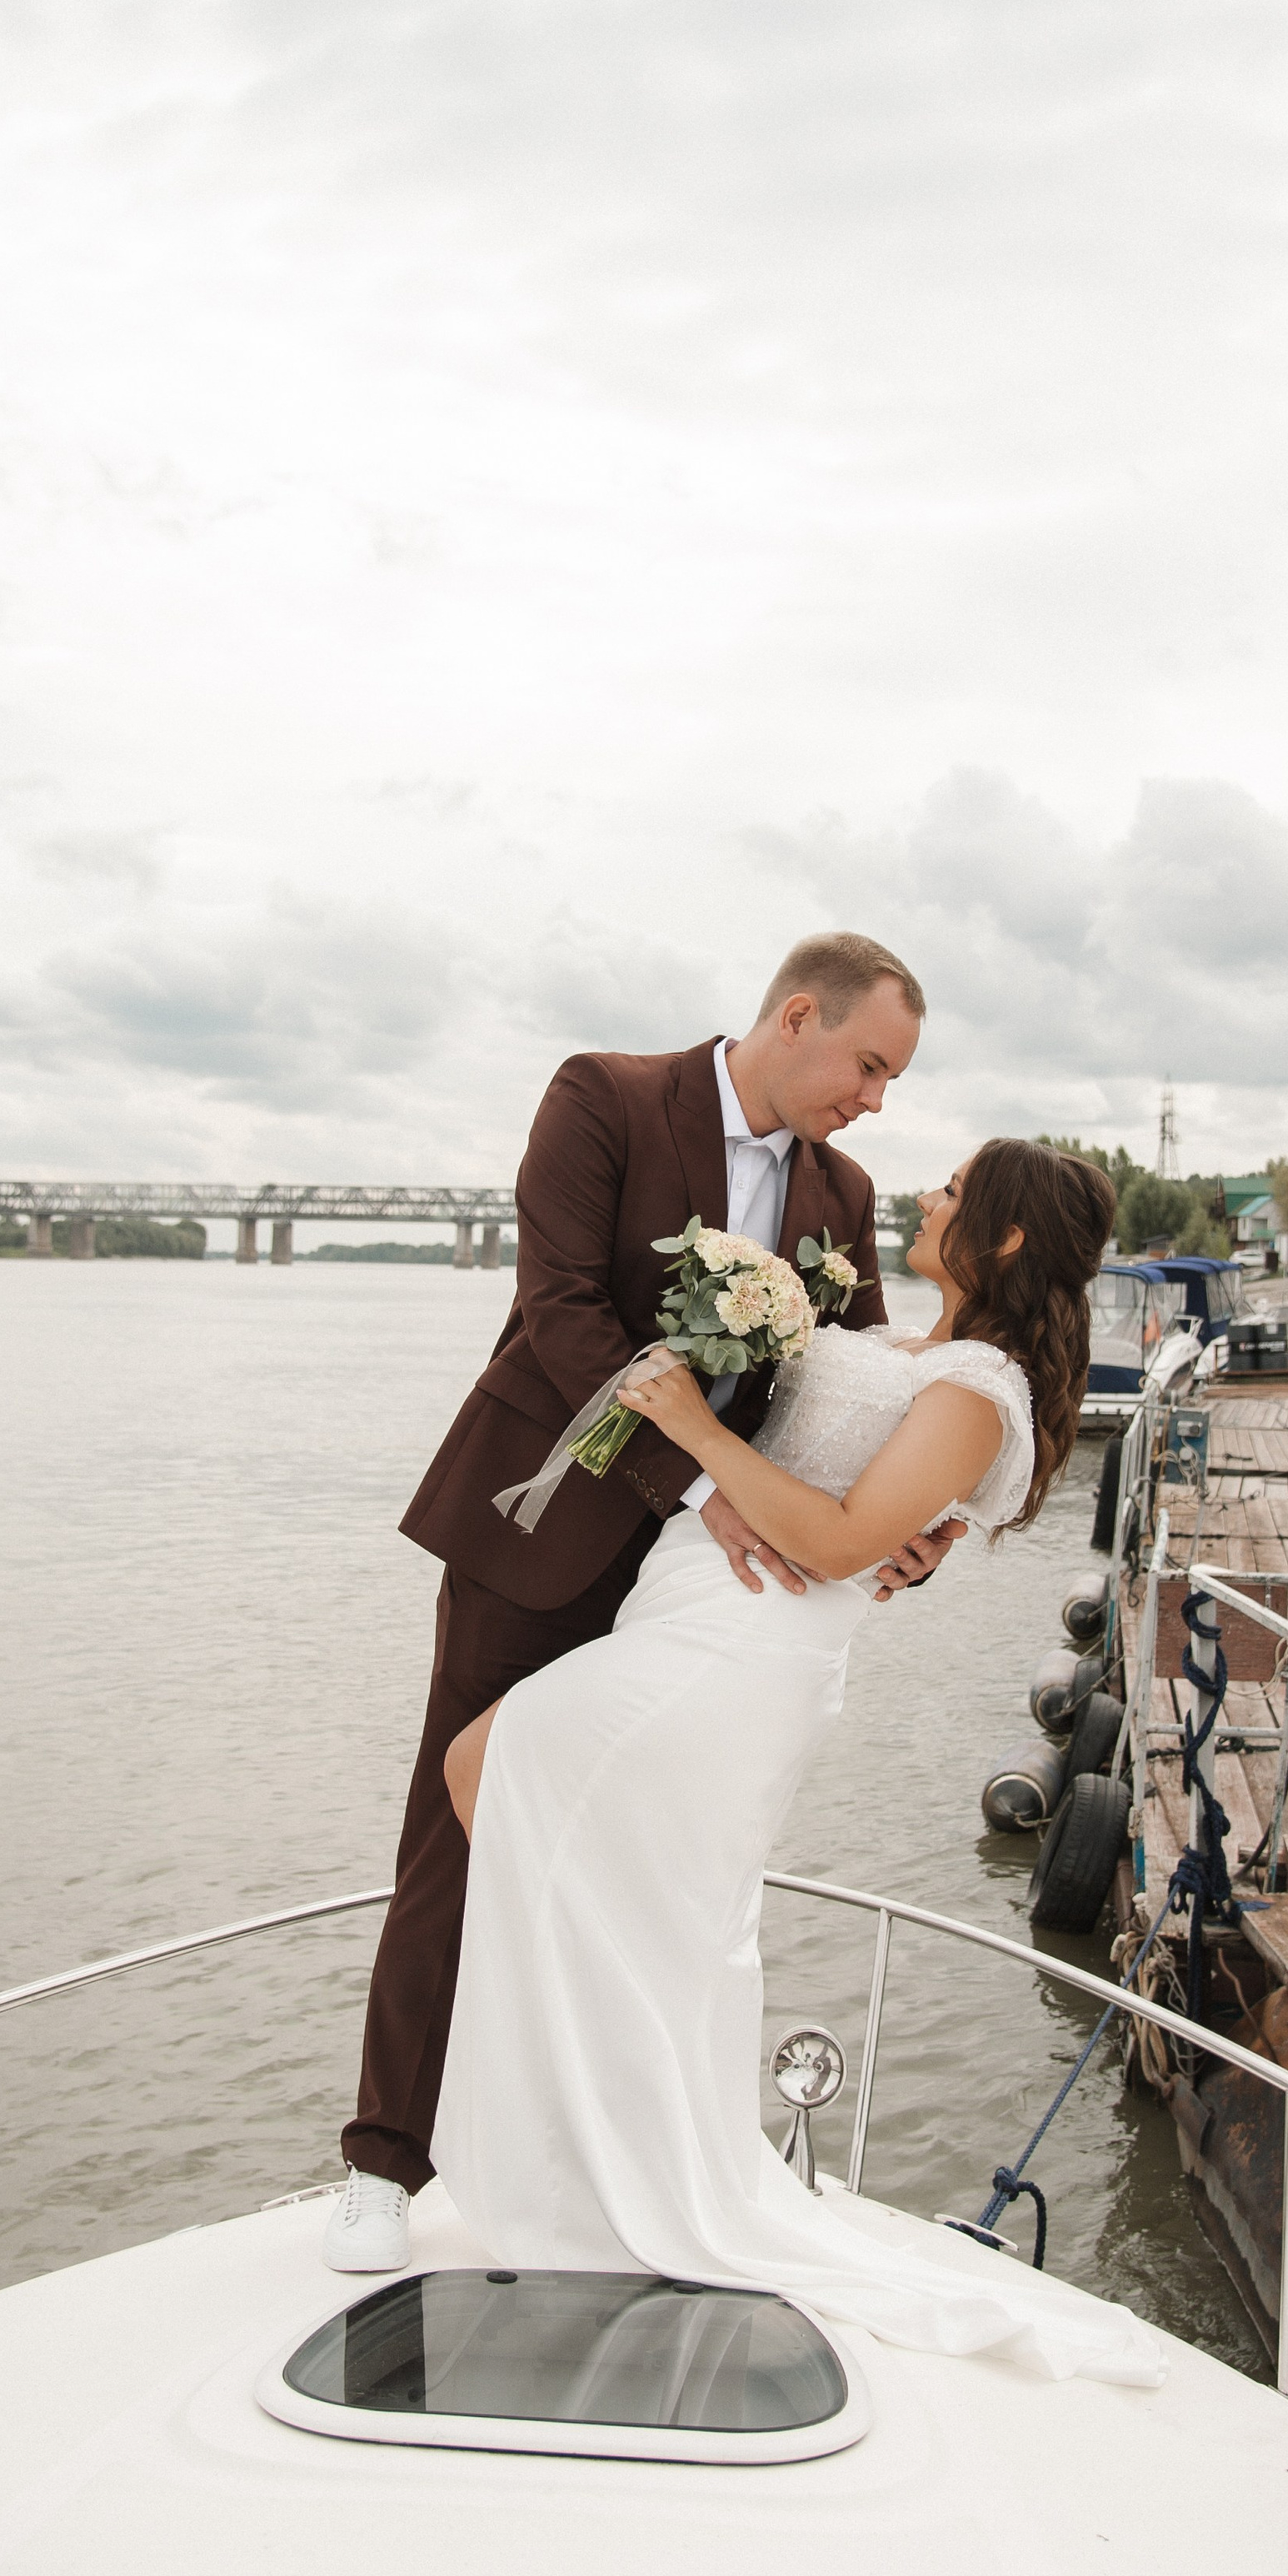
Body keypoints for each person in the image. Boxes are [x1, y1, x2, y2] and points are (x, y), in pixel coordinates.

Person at [428, 1139, 1166, 2390]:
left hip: (747, 1642)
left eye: (955, 1190)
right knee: (641, 1892)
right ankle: (600, 2158)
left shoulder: (980, 1389)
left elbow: (833, 1544)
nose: (928, 1194)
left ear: (1001, 1238)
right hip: (692, 1611)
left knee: (488, 1767)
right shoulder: (916, 1348)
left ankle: (605, 2157)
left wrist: (684, 1430)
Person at [327, 931, 956, 2274]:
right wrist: (697, 1485)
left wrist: (908, 1529)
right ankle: (384, 2161)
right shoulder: (604, 1098)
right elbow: (560, 1313)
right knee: (459, 1827)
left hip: (703, 1589)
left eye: (892, 1081)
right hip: (548, 1528)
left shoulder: (842, 1193)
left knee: (648, 1858)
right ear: (799, 1016)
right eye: (868, 1066)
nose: (874, 1101)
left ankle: (600, 2157)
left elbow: (852, 1387)